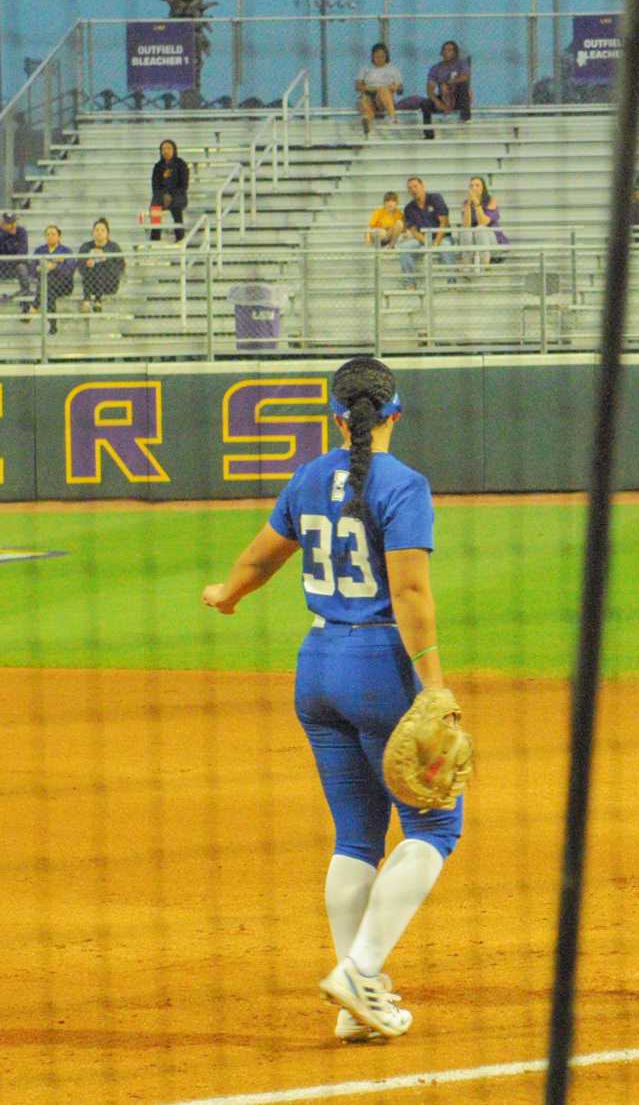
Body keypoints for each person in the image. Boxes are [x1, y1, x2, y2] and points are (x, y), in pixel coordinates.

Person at [200, 356, 467, 1042]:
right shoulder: (404, 485)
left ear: (335, 418)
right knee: (435, 827)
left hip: (316, 666)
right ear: (395, 415)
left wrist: (227, 594)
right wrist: (433, 682)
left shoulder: (311, 475)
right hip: (379, 666)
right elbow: (409, 593)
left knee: (356, 835)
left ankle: (361, 1001)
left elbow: (263, 555)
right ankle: (361, 970)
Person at [399, 178, 447, 286]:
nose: (413, 190)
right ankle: (410, 284)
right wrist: (427, 242)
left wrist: (436, 243)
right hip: (422, 239)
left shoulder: (436, 198)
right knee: (404, 248)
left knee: (447, 246)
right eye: (410, 188)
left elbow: (444, 222)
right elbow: (413, 231)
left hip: (442, 237)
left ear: (422, 186)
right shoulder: (408, 208)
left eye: (415, 186)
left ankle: (452, 283)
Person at [420, 41, 471, 139]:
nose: (446, 52)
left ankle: (465, 118)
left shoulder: (461, 64)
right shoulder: (436, 68)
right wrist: (437, 102)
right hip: (444, 98)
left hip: (458, 98)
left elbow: (465, 77)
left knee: (463, 85)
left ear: (455, 52)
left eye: (450, 50)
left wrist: (447, 83)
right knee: (425, 103)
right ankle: (429, 134)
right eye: (444, 50)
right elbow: (429, 89)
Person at [32, 224, 77, 330]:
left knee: (47, 284)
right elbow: (32, 268)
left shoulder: (66, 251)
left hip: (64, 285)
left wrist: (54, 267)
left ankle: (34, 306)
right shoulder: (39, 250)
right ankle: (52, 325)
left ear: (59, 237)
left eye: (53, 234)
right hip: (46, 286)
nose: (50, 236)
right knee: (49, 291)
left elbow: (69, 271)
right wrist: (39, 268)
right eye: (48, 234)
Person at [456, 176, 507, 270]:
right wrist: (468, 204)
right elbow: (466, 225)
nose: (474, 188)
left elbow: (483, 222)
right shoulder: (466, 203)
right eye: (471, 186)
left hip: (491, 242)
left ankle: (485, 266)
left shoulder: (491, 201)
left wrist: (477, 203)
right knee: (466, 231)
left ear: (483, 188)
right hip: (474, 241)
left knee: (480, 229)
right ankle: (466, 266)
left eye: (477, 185)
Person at [0, 209, 32, 309]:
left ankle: (25, 302)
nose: (12, 225)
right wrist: (5, 235)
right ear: (3, 224)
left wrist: (7, 260)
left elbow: (23, 253)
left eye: (13, 222)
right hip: (0, 268)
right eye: (9, 223)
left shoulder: (21, 232)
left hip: (16, 267)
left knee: (22, 268)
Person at [357, 43, 404, 138]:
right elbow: (358, 87)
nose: (379, 59)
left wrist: (395, 87)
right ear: (372, 56)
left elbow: (400, 89)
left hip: (383, 99)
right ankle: (367, 122)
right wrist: (371, 88)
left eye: (382, 56)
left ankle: (392, 117)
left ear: (386, 56)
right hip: (369, 94)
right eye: (377, 56)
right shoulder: (366, 69)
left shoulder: (393, 70)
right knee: (364, 100)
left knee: (383, 90)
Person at [79, 218, 125, 313]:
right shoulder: (85, 247)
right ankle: (97, 301)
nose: (99, 232)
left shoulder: (114, 247)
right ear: (92, 232)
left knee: (99, 265)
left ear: (107, 233)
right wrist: (87, 264)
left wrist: (105, 260)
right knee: (94, 265)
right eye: (97, 230)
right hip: (91, 284)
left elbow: (119, 269)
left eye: (102, 230)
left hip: (109, 284)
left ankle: (87, 300)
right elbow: (80, 269)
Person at [149, 139, 191, 243]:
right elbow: (155, 186)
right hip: (162, 197)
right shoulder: (158, 166)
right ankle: (155, 238)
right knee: (155, 206)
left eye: (168, 148)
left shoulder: (181, 164)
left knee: (176, 207)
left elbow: (184, 185)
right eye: (163, 149)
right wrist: (164, 195)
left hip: (178, 195)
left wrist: (171, 195)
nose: (166, 151)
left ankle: (180, 237)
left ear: (174, 150)